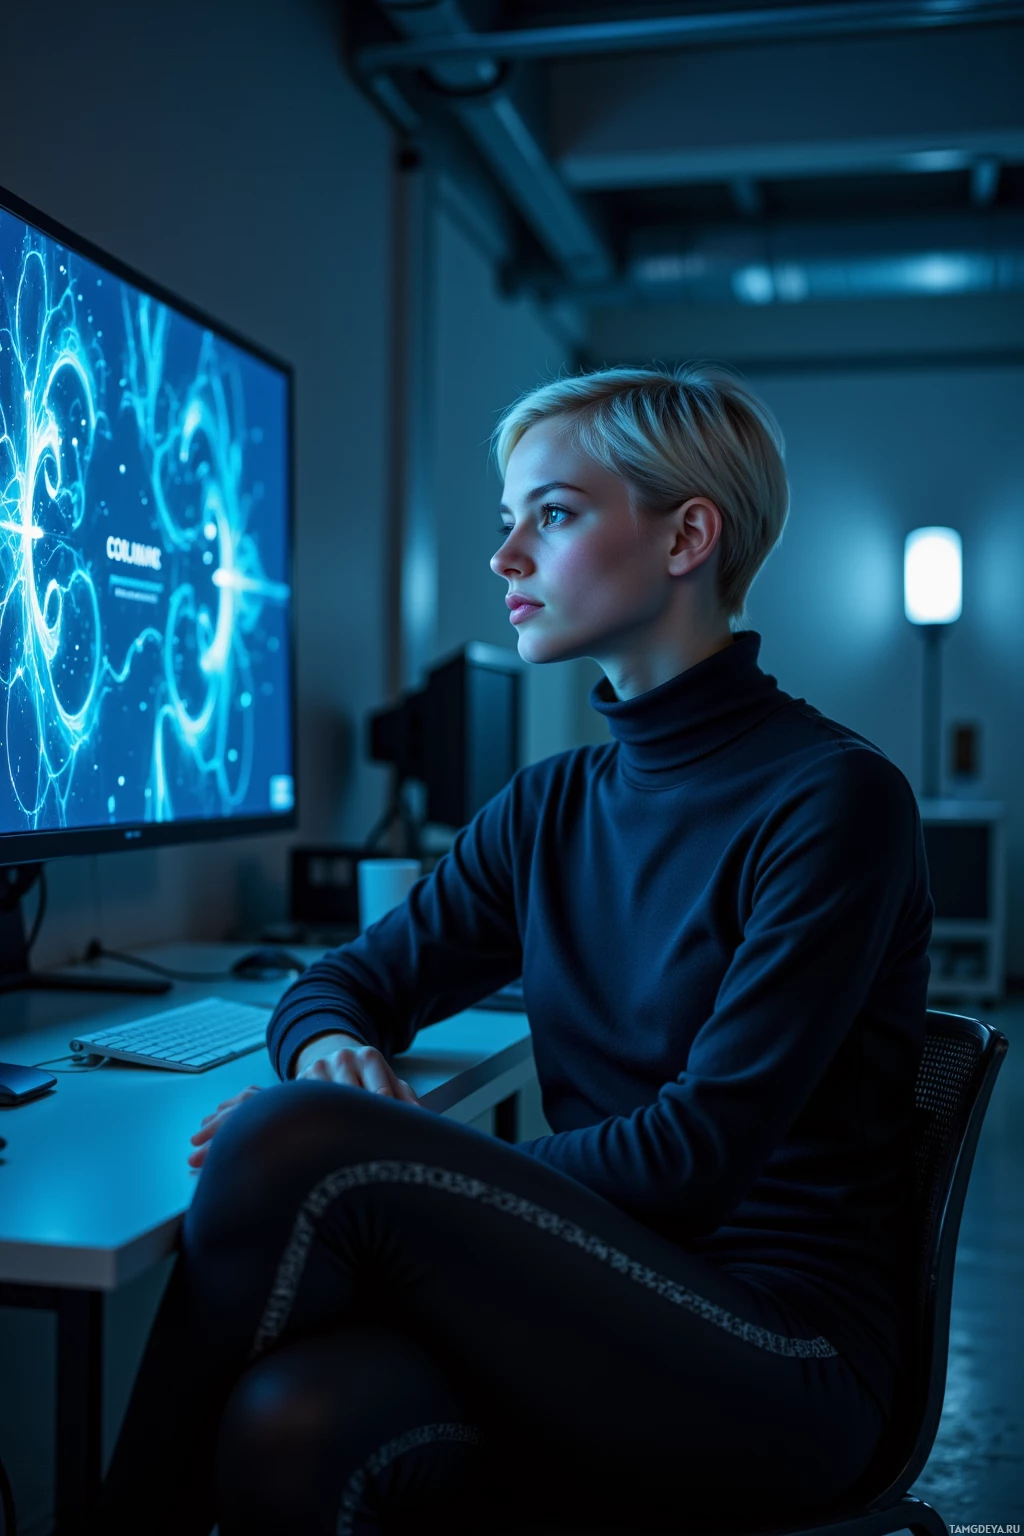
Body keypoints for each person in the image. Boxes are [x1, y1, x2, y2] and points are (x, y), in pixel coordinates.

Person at [83, 365, 933, 1536]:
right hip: (596, 1293)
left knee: (295, 1144)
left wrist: (368, 1145)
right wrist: (332, 1049)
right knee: (289, 1422)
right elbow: (344, 982)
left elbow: (695, 1157)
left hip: (776, 1347)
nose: (505, 559)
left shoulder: (833, 801)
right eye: (506, 522)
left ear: (688, 535)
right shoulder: (549, 806)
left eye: (554, 513)